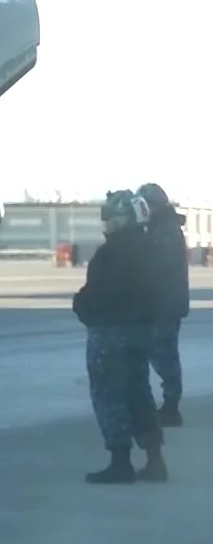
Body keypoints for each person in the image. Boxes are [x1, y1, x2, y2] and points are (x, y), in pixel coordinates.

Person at [72, 189, 166, 484]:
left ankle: (120, 462)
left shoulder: (112, 251)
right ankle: (155, 460)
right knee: (140, 393)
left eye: (110, 216)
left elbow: (100, 293)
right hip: (142, 331)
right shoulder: (151, 247)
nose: (107, 223)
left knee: (110, 394)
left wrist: (80, 305)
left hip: (112, 331)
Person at [137, 183, 189, 427]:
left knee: (164, 356)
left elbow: (158, 267)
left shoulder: (165, 232)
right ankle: (169, 406)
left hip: (165, 304)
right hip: (163, 303)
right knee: (162, 355)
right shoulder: (161, 228)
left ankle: (171, 407)